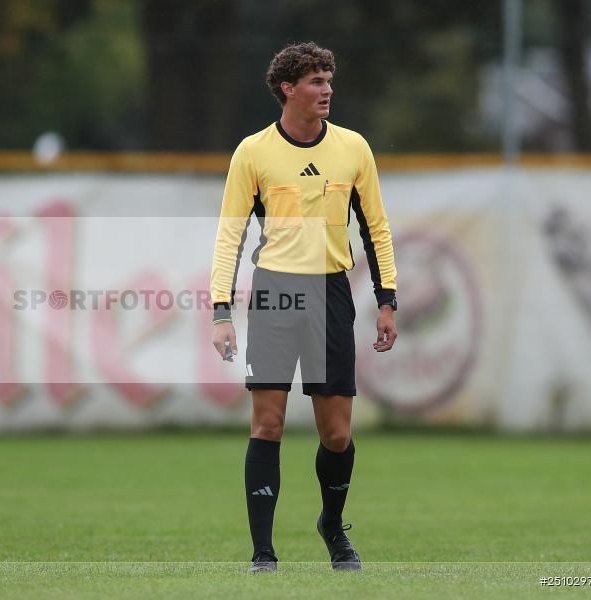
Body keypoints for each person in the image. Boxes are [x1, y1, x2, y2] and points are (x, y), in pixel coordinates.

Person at [209, 41, 397, 573]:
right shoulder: (253, 152)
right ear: (287, 88)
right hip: (274, 292)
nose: (327, 90)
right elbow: (229, 235)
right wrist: (221, 310)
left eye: (329, 80)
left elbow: (376, 228)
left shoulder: (354, 148)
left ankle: (332, 526)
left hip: (331, 294)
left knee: (336, 434)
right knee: (267, 423)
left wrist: (387, 301)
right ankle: (263, 554)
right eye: (316, 81)